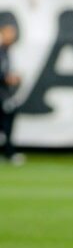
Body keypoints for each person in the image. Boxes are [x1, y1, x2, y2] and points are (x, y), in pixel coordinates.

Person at [0, 24, 23, 165]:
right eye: (8, 33)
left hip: (5, 95)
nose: (11, 36)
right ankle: (9, 151)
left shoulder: (7, 51)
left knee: (8, 123)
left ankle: (8, 151)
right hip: (1, 95)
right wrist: (5, 77)